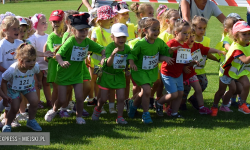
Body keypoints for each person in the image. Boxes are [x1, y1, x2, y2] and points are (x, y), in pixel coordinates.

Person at [44, 13, 105, 124]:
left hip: (77, 74)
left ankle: (79, 117)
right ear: (73, 30)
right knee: (62, 99)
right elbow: (58, 54)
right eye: (81, 30)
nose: (84, 33)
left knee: (80, 98)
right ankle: (53, 110)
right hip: (64, 74)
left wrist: (104, 57)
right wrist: (61, 62)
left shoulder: (87, 41)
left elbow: (102, 49)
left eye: (86, 30)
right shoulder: (70, 41)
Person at [127, 17, 175, 124]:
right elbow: (132, 55)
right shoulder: (140, 44)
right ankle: (146, 114)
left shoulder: (159, 42)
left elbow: (163, 53)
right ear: (145, 31)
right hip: (140, 71)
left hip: (151, 71)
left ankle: (133, 106)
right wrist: (132, 63)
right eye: (154, 29)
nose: (157, 32)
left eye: (158, 29)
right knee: (147, 90)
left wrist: (169, 52)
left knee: (144, 91)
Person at [92, 23, 130, 124]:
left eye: (124, 37)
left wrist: (127, 70)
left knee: (121, 98)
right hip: (107, 75)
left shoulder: (127, 48)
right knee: (103, 98)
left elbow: (126, 60)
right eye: (119, 37)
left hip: (119, 76)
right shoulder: (109, 47)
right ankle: (97, 109)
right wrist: (113, 54)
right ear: (112, 36)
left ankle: (120, 117)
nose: (122, 39)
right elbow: (108, 64)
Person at [2, 43, 42, 132]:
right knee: (15, 107)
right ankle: (7, 124)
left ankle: (31, 121)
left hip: (28, 87)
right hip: (13, 89)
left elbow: (39, 73)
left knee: (35, 101)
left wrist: (39, 81)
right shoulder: (12, 69)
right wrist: (5, 96)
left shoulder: (35, 66)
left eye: (34, 60)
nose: (32, 63)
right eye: (28, 61)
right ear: (20, 60)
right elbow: (4, 81)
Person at [215, 21, 250, 115]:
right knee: (223, 90)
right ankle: (215, 106)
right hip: (227, 71)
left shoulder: (247, 44)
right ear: (236, 36)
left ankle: (242, 105)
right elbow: (245, 60)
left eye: (249, 33)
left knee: (246, 85)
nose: (247, 36)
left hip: (237, 70)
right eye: (244, 34)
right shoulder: (236, 48)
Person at [28, 13, 52, 109]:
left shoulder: (49, 36)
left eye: (46, 22)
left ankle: (49, 100)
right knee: (37, 84)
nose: (45, 24)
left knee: (46, 83)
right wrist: (44, 54)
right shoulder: (32, 38)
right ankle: (37, 101)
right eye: (42, 22)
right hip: (36, 66)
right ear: (35, 24)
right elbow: (32, 51)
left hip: (47, 65)